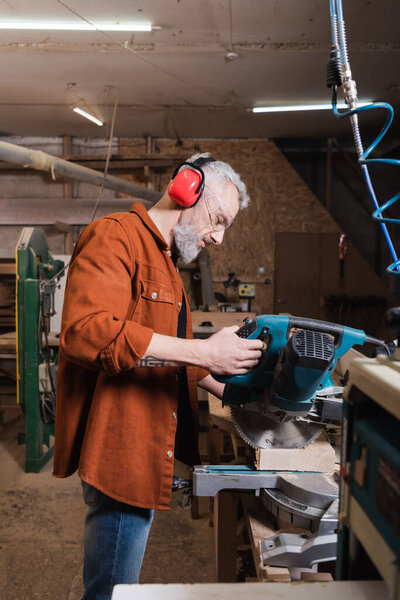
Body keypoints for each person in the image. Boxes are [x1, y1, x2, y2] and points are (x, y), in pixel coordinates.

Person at [53, 153, 263, 600]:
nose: (220, 237)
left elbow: (170, 357)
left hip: (145, 448)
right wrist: (205, 350)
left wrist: (231, 387)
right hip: (119, 453)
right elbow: (85, 333)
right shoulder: (116, 237)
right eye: (219, 219)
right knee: (109, 592)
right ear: (187, 188)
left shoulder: (167, 264)